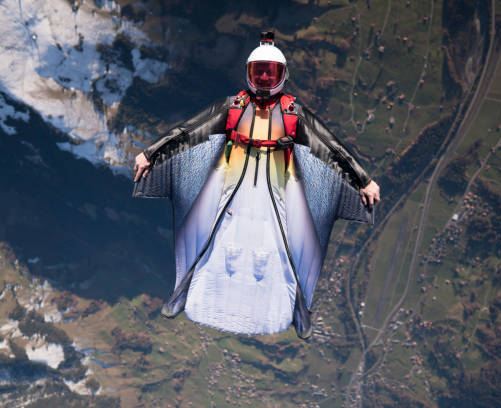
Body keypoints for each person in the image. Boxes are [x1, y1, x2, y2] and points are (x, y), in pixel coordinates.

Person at [133, 32, 380, 338]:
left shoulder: (294, 115)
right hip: (231, 192)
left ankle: (298, 312)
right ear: (249, 73)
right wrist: (150, 153)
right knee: (208, 241)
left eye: (270, 72)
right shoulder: (232, 108)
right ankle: (185, 295)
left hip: (275, 197)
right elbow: (187, 132)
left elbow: (331, 148)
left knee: (288, 252)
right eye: (258, 71)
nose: (264, 77)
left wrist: (363, 180)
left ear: (282, 75)